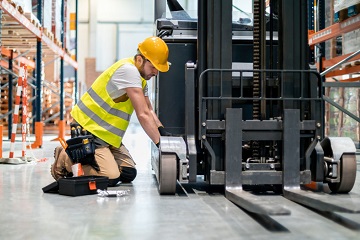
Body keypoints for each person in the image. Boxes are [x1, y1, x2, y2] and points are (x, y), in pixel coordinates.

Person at [51, 36, 172, 186]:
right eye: (153, 66)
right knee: (111, 176)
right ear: (140, 59)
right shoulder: (129, 71)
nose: (156, 72)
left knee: (128, 173)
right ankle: (64, 158)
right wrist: (160, 143)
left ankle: (95, 157)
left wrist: (162, 131)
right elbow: (143, 114)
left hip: (108, 136)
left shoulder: (140, 79)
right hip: (90, 128)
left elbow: (149, 110)